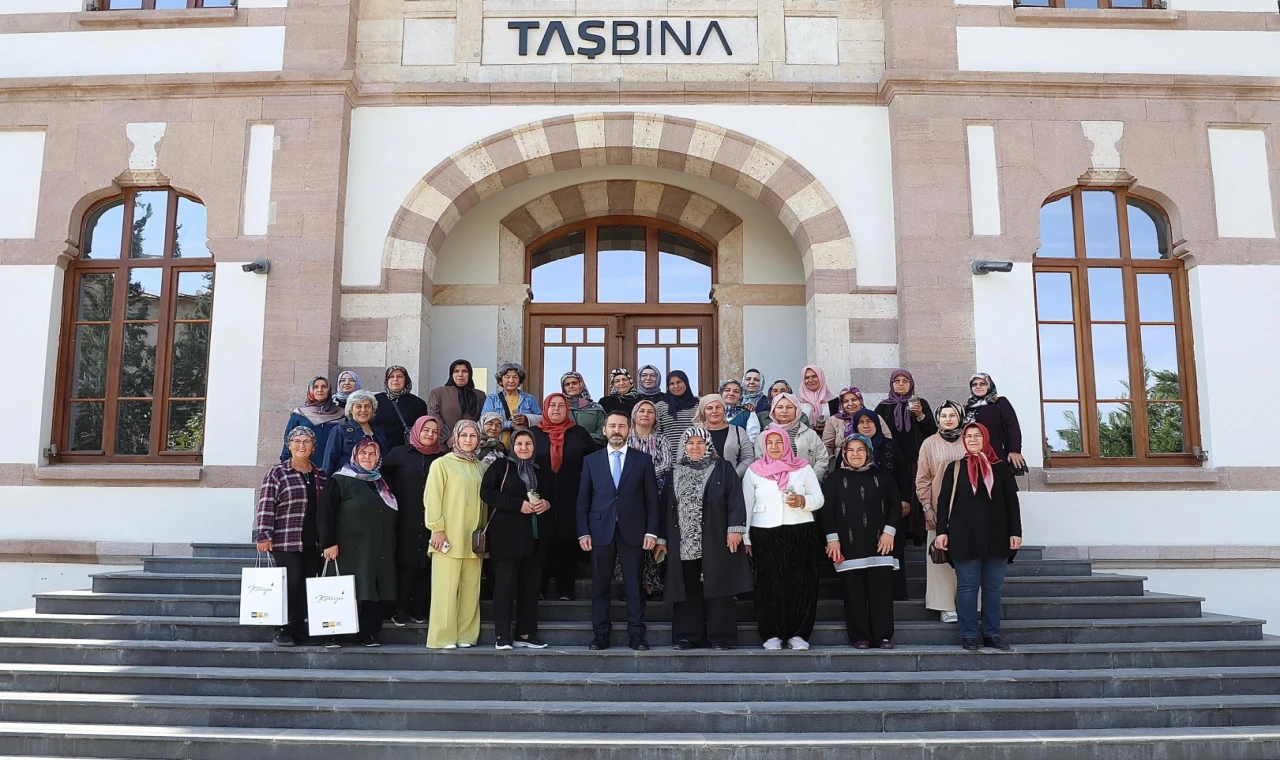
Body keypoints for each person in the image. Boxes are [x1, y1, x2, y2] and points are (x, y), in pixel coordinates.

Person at [658, 427, 752, 650]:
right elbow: (665, 507)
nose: (695, 447)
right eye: (690, 443)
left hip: (716, 538)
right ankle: (687, 636)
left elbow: (735, 499)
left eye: (701, 442)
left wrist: (735, 529)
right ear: (684, 446)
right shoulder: (674, 471)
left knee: (719, 587)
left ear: (709, 445)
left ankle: (721, 638)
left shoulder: (723, 468)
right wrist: (662, 539)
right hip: (683, 542)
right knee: (687, 589)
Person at [934, 422, 1024, 651]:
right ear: (964, 440)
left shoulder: (1001, 468)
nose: (973, 440)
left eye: (977, 436)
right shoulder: (954, 467)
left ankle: (992, 634)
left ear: (985, 438)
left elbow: (1012, 503)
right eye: (969, 436)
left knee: (993, 588)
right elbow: (943, 503)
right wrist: (941, 532)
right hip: (964, 536)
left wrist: (1016, 532)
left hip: (998, 536)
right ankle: (969, 635)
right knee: (967, 587)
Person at [577, 410, 661, 651]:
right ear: (604, 430)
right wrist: (583, 531)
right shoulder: (591, 460)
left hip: (633, 531)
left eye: (621, 426)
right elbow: (583, 500)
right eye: (612, 426)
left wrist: (651, 532)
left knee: (634, 584)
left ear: (629, 430)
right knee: (600, 586)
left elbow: (651, 500)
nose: (616, 430)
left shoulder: (642, 460)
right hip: (600, 530)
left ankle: (637, 634)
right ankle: (600, 634)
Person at [743, 428, 824, 651]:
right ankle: (772, 634)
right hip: (764, 532)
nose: (775, 447)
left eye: (780, 442)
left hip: (800, 530)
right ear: (764, 446)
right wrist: (746, 537)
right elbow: (746, 506)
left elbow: (819, 498)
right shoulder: (754, 471)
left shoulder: (803, 467)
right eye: (770, 443)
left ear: (788, 444)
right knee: (768, 585)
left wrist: (803, 500)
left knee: (801, 583)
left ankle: (798, 633)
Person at [821, 435, 900, 649]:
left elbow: (895, 506)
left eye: (860, 450)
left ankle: (883, 636)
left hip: (880, 543)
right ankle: (860, 636)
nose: (856, 454)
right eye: (851, 450)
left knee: (881, 592)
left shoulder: (882, 475)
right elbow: (827, 511)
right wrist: (833, 539)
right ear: (844, 454)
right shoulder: (835, 478)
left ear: (868, 452)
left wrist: (889, 532)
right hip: (848, 544)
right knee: (854, 593)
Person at [318, 439, 398, 647]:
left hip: (377, 546)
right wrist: (328, 543)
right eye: (363, 453)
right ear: (355, 455)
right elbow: (325, 514)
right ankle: (334, 633)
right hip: (347, 548)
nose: (368, 458)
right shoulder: (340, 480)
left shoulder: (381, 481)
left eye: (372, 454)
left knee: (373, 589)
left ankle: (368, 633)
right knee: (344, 589)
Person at [254, 426, 328, 647]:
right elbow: (266, 505)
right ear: (289, 445)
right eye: (297, 441)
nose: (302, 445)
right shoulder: (277, 473)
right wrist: (263, 535)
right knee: (291, 583)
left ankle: (299, 628)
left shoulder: (320, 474)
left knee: (306, 584)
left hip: (312, 541)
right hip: (285, 539)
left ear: (313, 447)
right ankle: (282, 629)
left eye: (307, 441)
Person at [481, 429, 551, 650]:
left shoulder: (540, 469)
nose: (523, 448)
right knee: (504, 588)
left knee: (530, 588)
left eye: (528, 444)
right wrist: (517, 504)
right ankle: (502, 635)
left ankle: (525, 633)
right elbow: (486, 492)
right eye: (519, 443)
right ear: (512, 445)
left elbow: (552, 495)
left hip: (534, 538)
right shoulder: (501, 466)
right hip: (506, 537)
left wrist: (546, 504)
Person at [424, 420, 487, 650]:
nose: (468, 440)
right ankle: (442, 637)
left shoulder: (481, 467)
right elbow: (432, 499)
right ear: (456, 439)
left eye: (473, 436)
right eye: (464, 436)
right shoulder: (442, 464)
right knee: (445, 589)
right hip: (447, 538)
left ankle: (466, 635)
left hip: (473, 538)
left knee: (471, 589)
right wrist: (437, 529)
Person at [531, 393, 597, 601]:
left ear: (567, 409)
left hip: (572, 497)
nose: (557, 409)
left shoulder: (579, 433)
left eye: (561, 405)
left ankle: (565, 590)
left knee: (567, 544)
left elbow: (591, 465)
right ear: (545, 409)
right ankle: (538, 588)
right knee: (541, 544)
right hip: (539, 499)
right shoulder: (533, 434)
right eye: (552, 406)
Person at [380, 415, 444, 627]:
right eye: (426, 430)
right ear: (416, 431)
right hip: (404, 518)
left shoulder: (442, 458)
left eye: (434, 432)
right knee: (405, 564)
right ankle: (399, 610)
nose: (430, 434)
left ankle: (419, 609)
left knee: (426, 564)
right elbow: (379, 478)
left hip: (432, 520)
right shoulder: (399, 454)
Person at [850, 408, 913, 600]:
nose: (866, 425)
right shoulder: (850, 449)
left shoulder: (890, 446)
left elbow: (904, 474)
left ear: (877, 425)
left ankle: (895, 594)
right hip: (859, 511)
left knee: (892, 549)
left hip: (890, 509)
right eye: (861, 422)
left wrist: (905, 500)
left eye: (870, 421)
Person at [916, 400, 968, 623]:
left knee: (969, 559)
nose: (948, 419)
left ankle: (970, 604)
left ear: (960, 417)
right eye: (944, 415)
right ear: (937, 419)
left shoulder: (970, 440)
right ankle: (945, 606)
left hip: (968, 510)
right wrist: (927, 507)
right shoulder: (929, 444)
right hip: (940, 510)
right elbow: (922, 480)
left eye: (953, 415)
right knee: (940, 559)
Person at [875, 370, 937, 548]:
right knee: (895, 495)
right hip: (891, 461)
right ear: (891, 385)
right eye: (897, 381)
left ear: (911, 384)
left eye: (905, 381)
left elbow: (932, 430)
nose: (901, 384)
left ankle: (917, 535)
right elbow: (875, 429)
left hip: (915, 460)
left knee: (915, 496)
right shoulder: (884, 407)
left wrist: (920, 415)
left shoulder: (920, 403)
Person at [618, 399, 672, 599]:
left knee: (651, 538)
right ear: (634, 415)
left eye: (650, 412)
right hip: (628, 496)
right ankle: (628, 584)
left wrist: (642, 475)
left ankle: (651, 583)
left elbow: (666, 465)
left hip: (654, 495)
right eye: (642, 411)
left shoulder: (661, 440)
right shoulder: (625, 438)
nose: (646, 415)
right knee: (628, 540)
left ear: (655, 417)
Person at [964, 373, 1026, 472]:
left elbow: (1012, 426)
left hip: (997, 454)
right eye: (974, 384)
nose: (978, 386)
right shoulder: (968, 408)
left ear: (989, 385)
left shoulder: (1000, 403)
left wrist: (1015, 450)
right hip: (975, 456)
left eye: (982, 383)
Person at [754, 392, 829, 474]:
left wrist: (811, 479)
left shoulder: (810, 435)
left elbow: (822, 459)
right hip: (772, 483)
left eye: (789, 407)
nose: (784, 411)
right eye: (779, 407)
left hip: (803, 482)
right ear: (773, 410)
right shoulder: (763, 436)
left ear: (797, 410)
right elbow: (759, 461)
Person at [279, 377, 345, 468]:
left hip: (334, 469)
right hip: (305, 469)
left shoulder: (340, 414)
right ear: (310, 390)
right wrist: (286, 466)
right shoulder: (299, 414)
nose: (320, 390)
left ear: (329, 390)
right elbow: (288, 443)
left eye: (324, 387)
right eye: (315, 387)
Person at [321, 390, 390, 475]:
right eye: (358, 406)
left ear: (372, 409)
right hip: (346, 484)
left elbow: (385, 461)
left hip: (374, 483)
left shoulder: (379, 432)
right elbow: (329, 462)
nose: (363, 410)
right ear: (351, 410)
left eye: (367, 406)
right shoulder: (340, 430)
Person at [426, 359, 486, 451]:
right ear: (451, 374)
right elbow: (433, 416)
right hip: (443, 447)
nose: (460, 375)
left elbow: (483, 419)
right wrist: (448, 438)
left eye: (464, 371)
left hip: (471, 447)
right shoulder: (438, 393)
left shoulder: (479, 395)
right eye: (456, 371)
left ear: (470, 374)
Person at [693, 394, 756, 477]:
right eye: (709, 408)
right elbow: (683, 459)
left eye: (718, 407)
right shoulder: (693, 433)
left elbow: (748, 458)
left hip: (731, 486)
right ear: (703, 411)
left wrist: (733, 477)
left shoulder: (738, 432)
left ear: (724, 409)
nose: (714, 411)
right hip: (700, 486)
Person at [824, 386, 894, 457]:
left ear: (860, 400)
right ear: (841, 404)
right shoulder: (834, 420)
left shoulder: (874, 417)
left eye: (854, 400)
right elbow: (827, 446)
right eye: (846, 401)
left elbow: (888, 440)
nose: (850, 404)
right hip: (842, 463)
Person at [372, 365, 429, 450]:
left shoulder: (418, 403)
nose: (395, 379)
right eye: (391, 376)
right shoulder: (375, 400)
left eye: (400, 376)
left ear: (406, 380)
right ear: (386, 380)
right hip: (379, 450)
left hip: (406, 452)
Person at [482, 362, 543, 435]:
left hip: (522, 442)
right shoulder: (492, 399)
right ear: (501, 381)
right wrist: (510, 424)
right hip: (498, 442)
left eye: (515, 377)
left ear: (519, 380)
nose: (511, 381)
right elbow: (485, 421)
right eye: (507, 377)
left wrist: (527, 419)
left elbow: (541, 420)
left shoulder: (529, 399)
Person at [656, 370, 699, 461]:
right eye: (672, 383)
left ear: (686, 383)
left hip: (696, 457)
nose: (676, 386)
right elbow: (657, 434)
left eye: (679, 382)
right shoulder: (660, 406)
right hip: (669, 459)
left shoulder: (699, 404)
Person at [562, 371, 607, 447]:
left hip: (592, 451)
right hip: (565, 452)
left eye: (574, 383)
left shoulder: (596, 408)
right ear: (563, 388)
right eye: (567, 384)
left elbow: (603, 433)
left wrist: (583, 438)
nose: (571, 386)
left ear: (581, 384)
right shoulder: (559, 408)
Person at [798, 365, 837, 435]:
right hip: (803, 442)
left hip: (828, 442)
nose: (810, 380)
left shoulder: (834, 401)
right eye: (807, 378)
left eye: (814, 376)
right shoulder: (797, 401)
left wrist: (827, 427)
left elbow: (838, 424)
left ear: (821, 378)